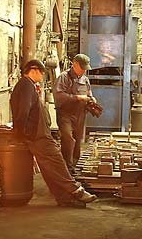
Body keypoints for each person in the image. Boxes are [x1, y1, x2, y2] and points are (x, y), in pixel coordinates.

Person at [10, 59, 97, 208]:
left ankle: (64, 199)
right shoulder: (25, 86)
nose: (42, 76)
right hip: (37, 136)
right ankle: (76, 190)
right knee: (57, 161)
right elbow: (23, 112)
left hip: (37, 134)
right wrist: (22, 134)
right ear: (34, 70)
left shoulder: (28, 85)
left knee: (48, 169)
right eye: (41, 73)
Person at [53, 53, 95, 175]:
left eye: (85, 68)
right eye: (82, 68)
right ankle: (66, 168)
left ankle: (74, 167)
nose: (83, 71)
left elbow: (88, 92)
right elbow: (59, 96)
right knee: (68, 139)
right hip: (65, 114)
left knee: (77, 140)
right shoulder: (63, 77)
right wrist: (77, 98)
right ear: (75, 64)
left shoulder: (85, 79)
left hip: (80, 114)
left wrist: (92, 99)